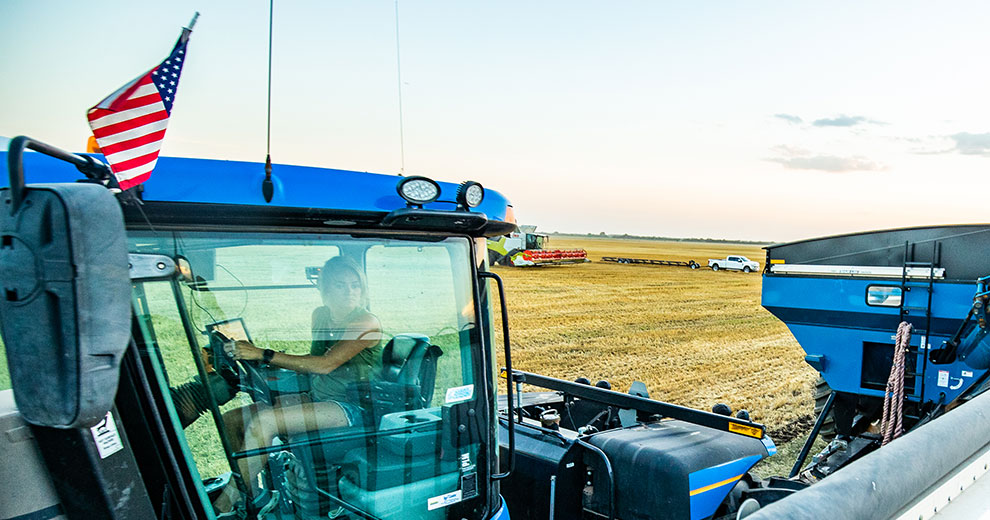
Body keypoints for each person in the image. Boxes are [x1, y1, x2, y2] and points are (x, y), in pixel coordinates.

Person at [214, 255, 383, 512]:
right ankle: (254, 497)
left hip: (353, 408)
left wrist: (263, 353)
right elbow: (313, 360)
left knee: (266, 421)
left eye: (355, 285)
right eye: (340, 285)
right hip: (318, 399)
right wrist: (271, 364)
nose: (350, 291)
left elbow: (325, 364)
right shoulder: (321, 316)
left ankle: (223, 508)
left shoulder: (366, 322)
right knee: (232, 420)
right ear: (325, 289)